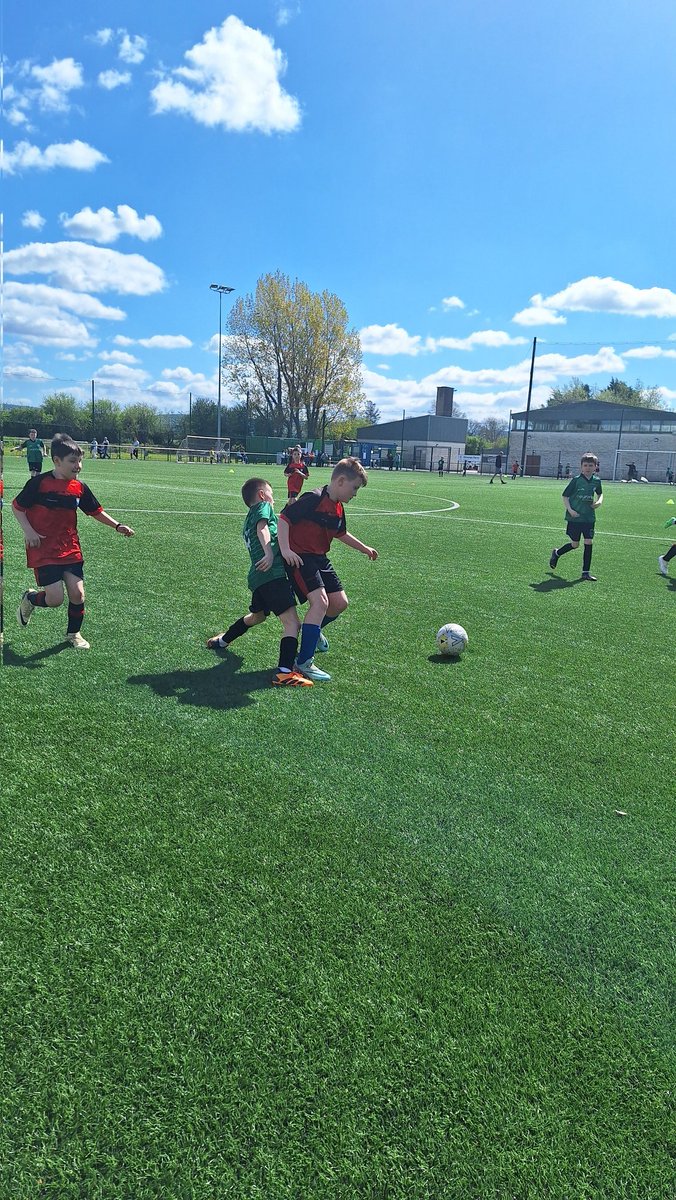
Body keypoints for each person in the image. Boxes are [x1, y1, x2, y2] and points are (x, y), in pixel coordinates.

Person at [12, 432, 134, 650]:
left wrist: (117, 525)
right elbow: (17, 507)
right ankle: (30, 598)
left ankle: (74, 634)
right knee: (55, 599)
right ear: (56, 461)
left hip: (70, 546)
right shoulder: (38, 484)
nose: (78, 466)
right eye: (72, 461)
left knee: (78, 593)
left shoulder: (79, 487)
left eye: (80, 461)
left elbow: (95, 511)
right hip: (43, 548)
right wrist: (28, 531)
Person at [277, 456, 378, 682]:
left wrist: (364, 548)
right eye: (354, 488)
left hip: (320, 558)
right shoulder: (312, 498)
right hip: (300, 557)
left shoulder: (339, 508)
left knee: (340, 603)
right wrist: (285, 550)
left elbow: (341, 533)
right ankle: (303, 661)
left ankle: (312, 632)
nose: (355, 493)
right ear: (341, 481)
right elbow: (284, 519)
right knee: (320, 602)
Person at [207, 477, 312, 687]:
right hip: (272, 575)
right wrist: (269, 554)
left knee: (257, 617)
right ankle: (284, 673)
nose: (273, 498)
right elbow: (263, 529)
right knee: (292, 623)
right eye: (271, 493)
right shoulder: (263, 508)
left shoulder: (250, 517)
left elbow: (271, 524)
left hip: (257, 578)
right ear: (262, 495)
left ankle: (222, 640)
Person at [549, 452, 603, 581]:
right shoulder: (576, 481)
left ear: (595, 467)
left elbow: (600, 494)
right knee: (575, 544)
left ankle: (585, 572)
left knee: (589, 541)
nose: (588, 468)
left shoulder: (597, 481)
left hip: (589, 518)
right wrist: (570, 510)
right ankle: (557, 553)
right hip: (575, 517)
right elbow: (565, 496)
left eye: (590, 465)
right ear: (581, 467)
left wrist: (599, 501)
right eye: (585, 465)